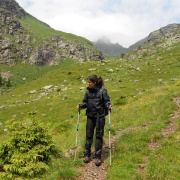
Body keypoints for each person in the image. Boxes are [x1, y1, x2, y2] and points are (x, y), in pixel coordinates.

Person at [78, 75, 112, 166]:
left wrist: (109, 105)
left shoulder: (102, 90)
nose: (88, 84)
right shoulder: (87, 91)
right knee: (88, 135)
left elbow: (106, 101)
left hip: (100, 116)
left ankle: (97, 157)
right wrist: (81, 106)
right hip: (90, 116)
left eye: (89, 82)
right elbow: (85, 102)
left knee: (98, 136)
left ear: (94, 83)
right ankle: (86, 155)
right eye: (87, 82)